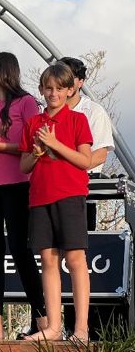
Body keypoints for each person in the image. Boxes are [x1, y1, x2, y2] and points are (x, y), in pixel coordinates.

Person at [0, 52, 46, 340]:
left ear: (0, 72)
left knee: (19, 249)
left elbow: (32, 143)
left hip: (16, 183)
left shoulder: (26, 103)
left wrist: (0, 147)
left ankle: (42, 319)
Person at [20, 63, 92, 342]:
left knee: (75, 260)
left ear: (70, 90)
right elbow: (24, 165)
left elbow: (85, 160)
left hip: (70, 195)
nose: (53, 93)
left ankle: (82, 329)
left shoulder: (77, 121)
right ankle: (52, 327)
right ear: (41, 89)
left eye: (59, 89)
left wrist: (56, 144)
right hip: (39, 198)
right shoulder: (32, 124)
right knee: (48, 261)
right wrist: (37, 152)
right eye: (48, 88)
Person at [59, 57, 115, 227]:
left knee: (78, 251)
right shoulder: (43, 112)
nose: (63, 81)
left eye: (69, 77)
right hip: (47, 193)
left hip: (82, 194)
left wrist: (68, 168)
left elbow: (99, 155)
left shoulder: (94, 111)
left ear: (80, 82)